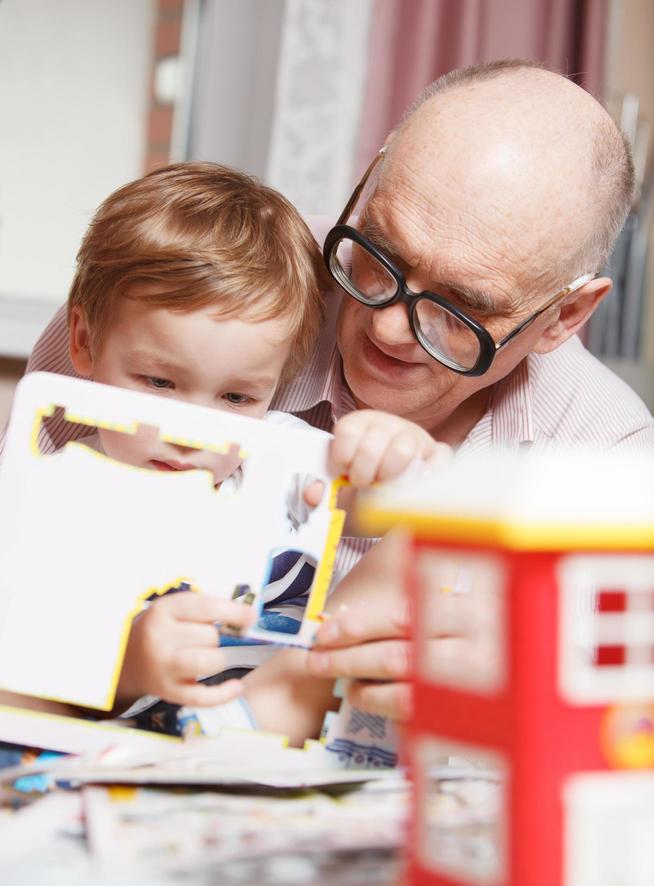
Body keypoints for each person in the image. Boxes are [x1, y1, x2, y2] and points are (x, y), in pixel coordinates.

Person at [8, 60, 654, 730]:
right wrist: (118, 656)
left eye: (461, 308)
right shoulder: (194, 289)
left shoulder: (611, 455)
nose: (387, 325)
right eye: (382, 254)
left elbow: (621, 726)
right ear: (371, 181)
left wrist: (519, 676)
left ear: (563, 318)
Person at [0, 160, 442, 743]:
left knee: (421, 544)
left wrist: (395, 458)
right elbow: (36, 660)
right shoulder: (52, 487)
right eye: (159, 384)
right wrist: (127, 667)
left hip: (265, 712)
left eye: (236, 396)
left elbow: (413, 510)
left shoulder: (286, 459)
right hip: (109, 728)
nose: (195, 434)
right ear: (82, 342)